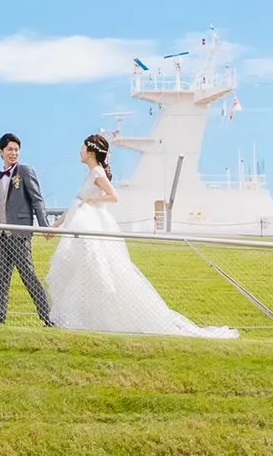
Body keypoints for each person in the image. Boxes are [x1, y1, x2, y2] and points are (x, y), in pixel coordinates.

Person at [46, 133, 237, 338]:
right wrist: (55, 226)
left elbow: (113, 196)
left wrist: (92, 201)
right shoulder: (91, 174)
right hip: (83, 226)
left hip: (92, 227)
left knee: (98, 271)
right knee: (84, 274)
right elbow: (75, 203)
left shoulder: (97, 174)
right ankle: (84, 320)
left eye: (83, 148)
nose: (80, 151)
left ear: (91, 152)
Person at [0, 133, 53, 326]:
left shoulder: (24, 171)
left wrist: (44, 226)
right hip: (1, 237)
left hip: (19, 235)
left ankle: (49, 318)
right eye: (10, 149)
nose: (13, 153)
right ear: (1, 152)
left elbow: (37, 200)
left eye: (16, 149)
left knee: (29, 276)